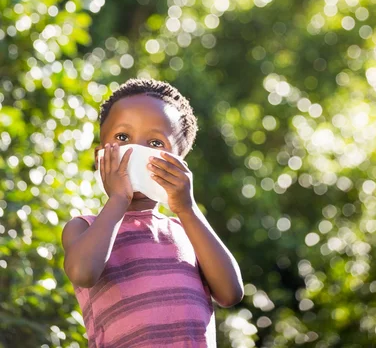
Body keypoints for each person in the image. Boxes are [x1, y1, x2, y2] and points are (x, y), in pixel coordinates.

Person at [62, 77, 244, 347]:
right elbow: (82, 272)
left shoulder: (188, 231)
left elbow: (230, 293)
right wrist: (118, 198)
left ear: (179, 164)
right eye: (122, 138)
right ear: (100, 155)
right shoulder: (85, 228)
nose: (136, 151)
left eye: (156, 143)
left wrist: (186, 208)